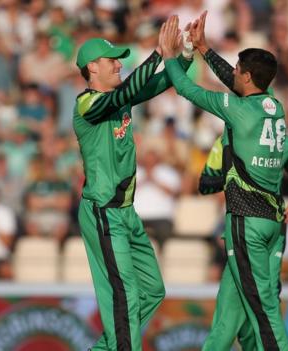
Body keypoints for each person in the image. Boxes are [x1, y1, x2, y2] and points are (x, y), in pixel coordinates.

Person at [162, 12, 288, 351]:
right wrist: (205, 48)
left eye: (238, 70)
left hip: (247, 223)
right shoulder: (275, 108)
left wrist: (171, 57)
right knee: (227, 320)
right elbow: (240, 85)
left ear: (246, 76)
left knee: (264, 310)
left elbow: (184, 88)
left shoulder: (238, 111)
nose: (235, 73)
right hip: (271, 222)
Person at [72, 18, 193, 350]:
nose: (118, 64)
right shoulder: (86, 104)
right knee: (124, 296)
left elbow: (159, 83)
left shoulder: (120, 98)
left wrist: (186, 53)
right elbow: (127, 90)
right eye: (111, 60)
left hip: (126, 212)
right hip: (103, 211)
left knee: (153, 290)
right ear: (92, 68)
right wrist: (156, 53)